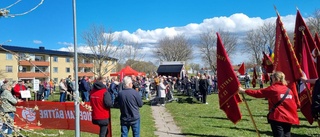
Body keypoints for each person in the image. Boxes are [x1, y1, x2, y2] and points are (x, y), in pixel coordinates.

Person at [238, 71, 299, 137]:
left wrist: (244, 91)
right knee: (287, 134)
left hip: (278, 116)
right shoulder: (288, 90)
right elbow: (294, 104)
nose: (271, 80)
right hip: (289, 117)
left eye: (272, 78)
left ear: (276, 79)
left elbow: (258, 93)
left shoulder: (273, 89)